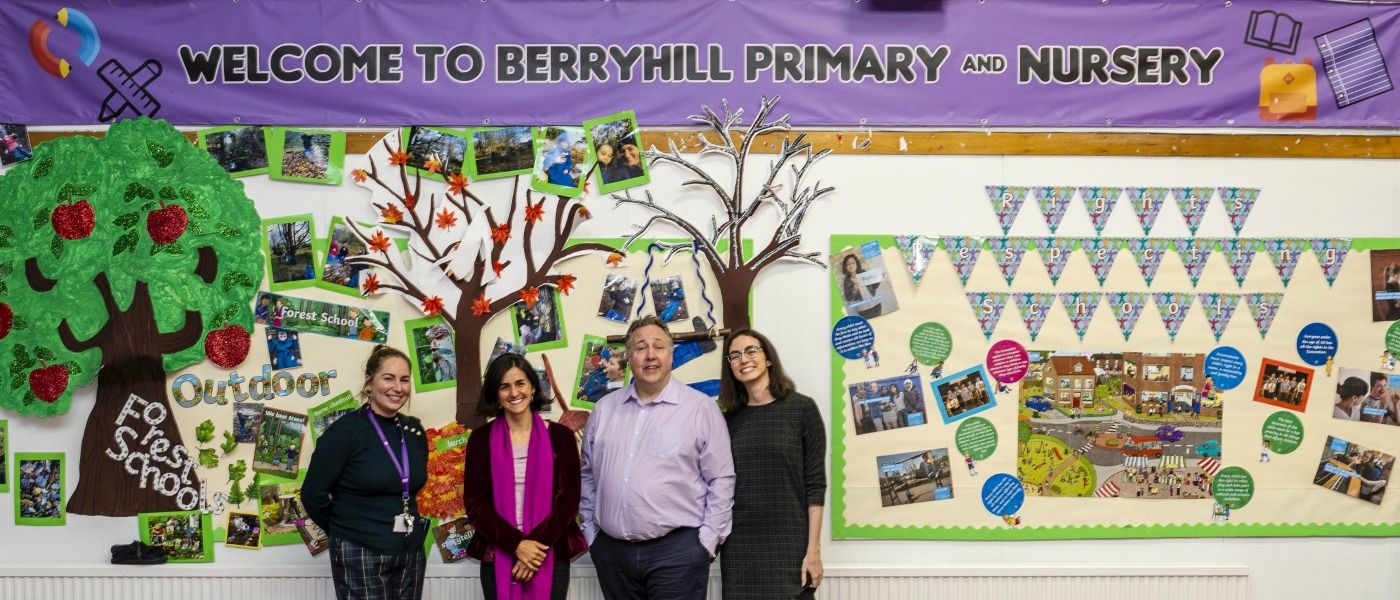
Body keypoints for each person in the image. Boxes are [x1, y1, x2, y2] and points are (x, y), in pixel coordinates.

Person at [580, 315, 735, 600]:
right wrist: (591, 531)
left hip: (678, 554)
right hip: (612, 554)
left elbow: (721, 479)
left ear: (671, 353)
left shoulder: (700, 409)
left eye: (659, 346)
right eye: (640, 347)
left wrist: (707, 541)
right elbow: (588, 474)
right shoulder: (604, 410)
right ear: (629, 356)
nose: (650, 355)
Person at [303, 345, 429, 600]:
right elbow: (312, 494)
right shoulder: (345, 432)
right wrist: (344, 530)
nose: (398, 387)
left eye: (404, 380)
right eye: (388, 378)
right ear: (369, 383)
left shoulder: (414, 432)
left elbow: (409, 484)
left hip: (410, 551)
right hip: (360, 550)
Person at [463, 353, 586, 600]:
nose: (514, 392)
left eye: (520, 383)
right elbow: (476, 504)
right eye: (504, 386)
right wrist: (517, 545)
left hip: (549, 551)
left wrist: (534, 549)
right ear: (496, 395)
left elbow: (568, 500)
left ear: (532, 387)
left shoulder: (560, 436)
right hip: (498, 551)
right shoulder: (480, 439)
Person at [717, 328, 826, 600]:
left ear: (768, 359)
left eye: (751, 351)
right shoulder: (729, 420)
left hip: (790, 542)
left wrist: (813, 550)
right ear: (730, 366)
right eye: (735, 355)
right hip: (740, 545)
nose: (744, 359)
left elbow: (816, 485)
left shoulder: (802, 409)